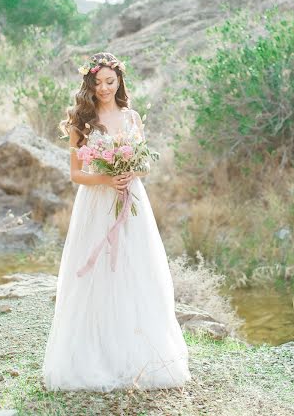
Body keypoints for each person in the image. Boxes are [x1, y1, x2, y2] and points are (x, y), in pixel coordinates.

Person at [42, 51, 191, 392]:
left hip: (131, 200)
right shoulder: (80, 120)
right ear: (88, 84)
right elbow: (77, 175)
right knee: (97, 276)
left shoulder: (132, 117)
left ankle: (138, 356)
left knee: (135, 270)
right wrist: (107, 179)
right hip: (96, 202)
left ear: (120, 81)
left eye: (110, 81)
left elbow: (146, 166)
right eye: (97, 82)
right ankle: (93, 356)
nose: (104, 88)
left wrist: (127, 172)